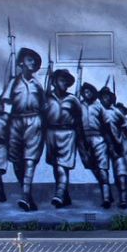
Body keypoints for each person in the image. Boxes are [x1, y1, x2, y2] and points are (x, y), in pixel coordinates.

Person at [4, 47, 45, 211]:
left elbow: (44, 105)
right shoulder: (13, 82)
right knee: (17, 160)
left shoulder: (37, 84)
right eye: (29, 59)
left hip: (34, 121)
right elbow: (6, 102)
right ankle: (27, 195)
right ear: (21, 63)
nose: (33, 62)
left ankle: (25, 195)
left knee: (30, 159)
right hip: (15, 121)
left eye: (34, 60)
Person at [43, 69, 83, 208]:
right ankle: (65, 196)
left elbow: (79, 119)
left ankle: (59, 194)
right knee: (56, 166)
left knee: (62, 166)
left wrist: (81, 139)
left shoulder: (73, 99)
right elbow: (42, 117)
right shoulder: (47, 98)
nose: (64, 83)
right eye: (61, 80)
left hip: (68, 134)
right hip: (51, 133)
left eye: (66, 80)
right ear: (54, 82)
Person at [79, 82, 115, 208]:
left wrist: (110, 142)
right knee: (93, 167)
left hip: (99, 138)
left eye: (89, 92)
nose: (87, 94)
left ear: (93, 93)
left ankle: (106, 198)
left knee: (102, 168)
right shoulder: (79, 105)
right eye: (85, 92)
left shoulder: (99, 107)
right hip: (84, 140)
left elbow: (106, 125)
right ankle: (107, 192)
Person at [103, 90, 127, 209]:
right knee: (109, 173)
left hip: (119, 146)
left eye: (108, 97)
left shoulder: (117, 114)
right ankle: (107, 196)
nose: (106, 99)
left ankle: (123, 198)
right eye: (103, 97)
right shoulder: (98, 111)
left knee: (121, 173)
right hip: (103, 147)